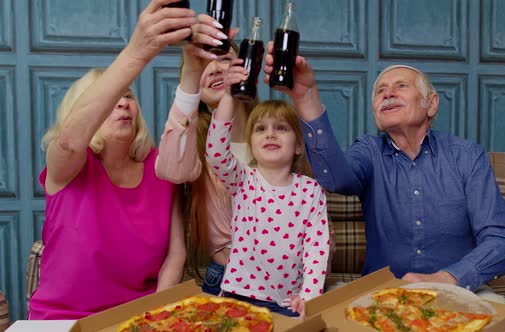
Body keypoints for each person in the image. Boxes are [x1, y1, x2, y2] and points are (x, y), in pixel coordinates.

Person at [262, 43, 505, 296]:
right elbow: (335, 178)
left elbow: (503, 241)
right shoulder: (369, 151)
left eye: (401, 86)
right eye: (380, 90)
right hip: (384, 293)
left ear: (431, 104)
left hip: (457, 291)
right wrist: (307, 97)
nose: (388, 93)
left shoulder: (467, 156)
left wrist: (449, 278)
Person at [28, 0, 193, 320]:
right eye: (111, 99)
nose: (122, 104)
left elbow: (176, 254)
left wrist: (153, 318)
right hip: (61, 319)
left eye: (128, 96)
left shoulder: (160, 166)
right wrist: (137, 52)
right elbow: (67, 140)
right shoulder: (68, 165)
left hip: (136, 316)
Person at [155, 15, 336, 296]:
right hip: (230, 281)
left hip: (291, 286)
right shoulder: (198, 144)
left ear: (246, 69)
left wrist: (309, 286)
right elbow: (171, 171)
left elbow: (316, 226)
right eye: (204, 63)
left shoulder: (278, 137)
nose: (215, 69)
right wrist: (189, 88)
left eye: (225, 60)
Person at [204, 59, 330, 317]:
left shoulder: (310, 190)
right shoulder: (242, 179)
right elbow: (216, 154)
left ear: (297, 145)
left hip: (287, 303)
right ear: (251, 144)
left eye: (281, 128)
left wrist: (309, 297)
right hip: (237, 295)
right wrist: (228, 96)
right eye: (261, 129)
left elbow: (317, 248)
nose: (270, 134)